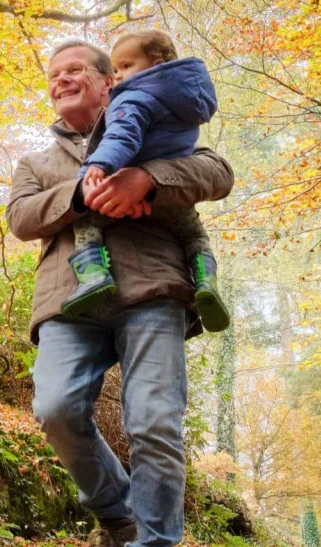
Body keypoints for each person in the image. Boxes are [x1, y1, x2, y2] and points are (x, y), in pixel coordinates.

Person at [5, 38, 236, 547]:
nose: (60, 80)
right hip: (69, 299)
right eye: (53, 75)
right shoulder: (36, 162)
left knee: (154, 423)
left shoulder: (159, 131)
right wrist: (76, 194)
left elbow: (218, 173)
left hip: (154, 286)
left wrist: (146, 180)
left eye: (74, 70)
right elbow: (20, 219)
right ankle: (118, 513)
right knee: (56, 407)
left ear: (109, 81)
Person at [66, 29, 231, 332]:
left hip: (122, 191)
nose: (119, 76)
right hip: (173, 202)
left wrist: (97, 166)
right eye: (115, 70)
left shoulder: (134, 97)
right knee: (195, 236)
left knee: (87, 223)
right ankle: (206, 280)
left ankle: (93, 276)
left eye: (126, 67)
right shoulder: (183, 103)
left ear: (155, 66)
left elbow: (122, 136)